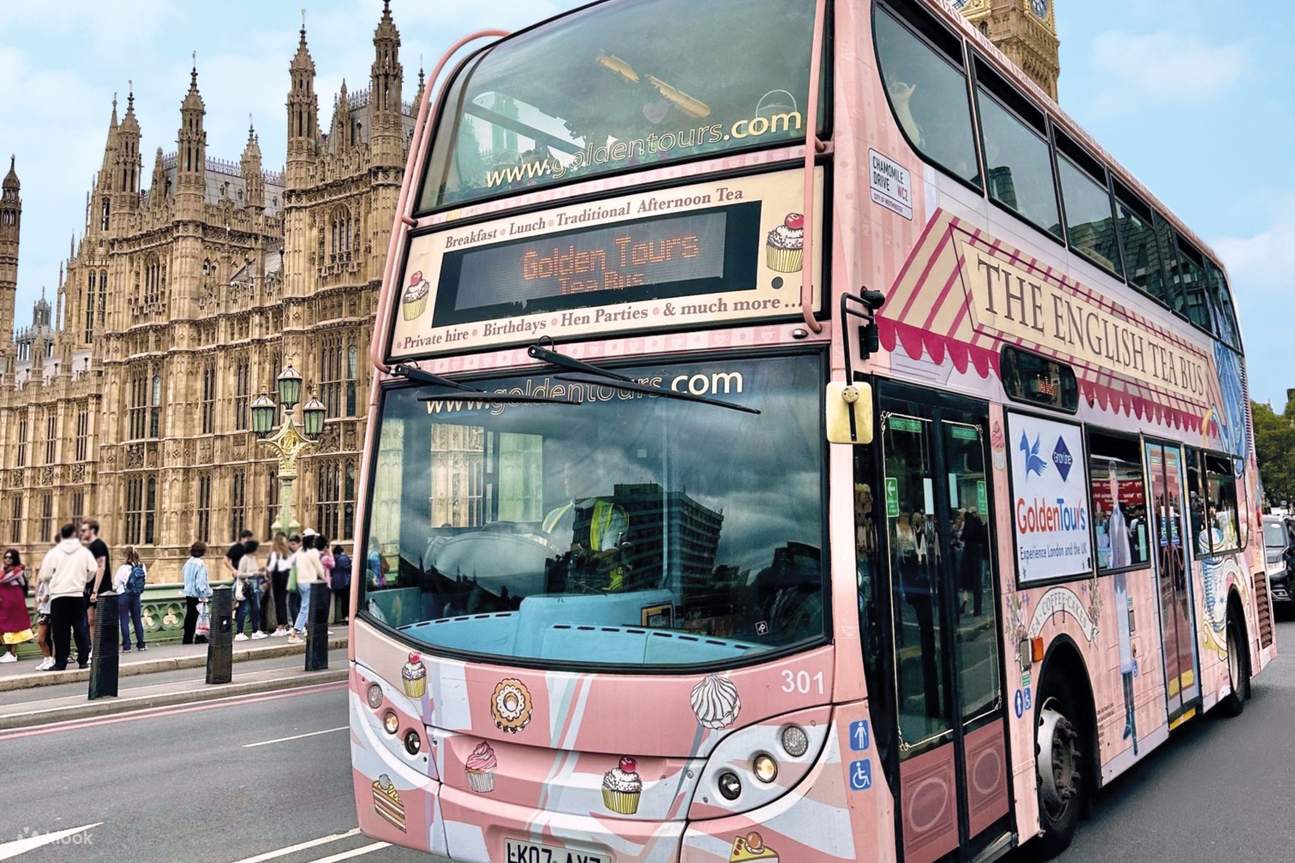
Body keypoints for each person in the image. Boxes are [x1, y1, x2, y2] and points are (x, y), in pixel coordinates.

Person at [39, 523, 97, 670]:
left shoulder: (54, 553)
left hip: (58, 595)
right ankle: (83, 660)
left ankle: (61, 662)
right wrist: (84, 580)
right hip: (77, 594)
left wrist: (53, 581)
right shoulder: (84, 552)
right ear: (74, 534)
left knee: (60, 632)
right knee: (80, 629)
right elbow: (93, 570)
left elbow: (44, 575)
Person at [290, 529, 326, 643]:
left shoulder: (300, 551)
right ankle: (294, 633)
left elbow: (292, 562)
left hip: (300, 582)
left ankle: (308, 629)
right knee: (305, 608)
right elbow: (319, 568)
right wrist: (325, 578)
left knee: (307, 606)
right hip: (310, 582)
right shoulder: (313, 552)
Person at [80, 519, 110, 643]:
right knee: (90, 620)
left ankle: (99, 648)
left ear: (92, 530)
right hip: (88, 588)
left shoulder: (99, 545)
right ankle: (93, 647)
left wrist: (95, 591)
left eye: (84, 530)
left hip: (99, 589)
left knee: (98, 620)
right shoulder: (89, 547)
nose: (81, 533)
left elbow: (100, 567)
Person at [112, 546, 148, 652]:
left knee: (124, 620)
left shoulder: (122, 568)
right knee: (137, 620)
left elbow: (116, 584)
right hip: (136, 596)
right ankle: (141, 644)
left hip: (124, 595)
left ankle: (127, 646)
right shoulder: (142, 567)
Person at [0, 549, 33, 662]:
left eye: (10, 557)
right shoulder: (5, 570)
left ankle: (13, 654)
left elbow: (4, 579)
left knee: (12, 626)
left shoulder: (17, 570)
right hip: (5, 601)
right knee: (5, 625)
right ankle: (9, 652)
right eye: (5, 557)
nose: (7, 559)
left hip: (13, 600)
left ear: (14, 558)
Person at [234, 539, 267, 641]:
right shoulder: (244, 559)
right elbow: (240, 574)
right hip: (246, 588)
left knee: (255, 609)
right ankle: (239, 633)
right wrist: (253, 574)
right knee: (243, 610)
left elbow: (254, 571)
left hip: (254, 587)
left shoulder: (253, 558)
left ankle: (255, 631)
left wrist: (259, 572)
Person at [182, 542, 212, 645]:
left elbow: (184, 576)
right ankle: (200, 636)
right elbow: (200, 582)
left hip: (188, 593)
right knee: (200, 616)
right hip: (197, 595)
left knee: (190, 616)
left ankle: (187, 638)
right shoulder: (200, 564)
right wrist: (203, 595)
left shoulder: (188, 562)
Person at [266, 533, 293, 637]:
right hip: (286, 577)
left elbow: (271, 567)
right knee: (285, 602)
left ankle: (280, 627)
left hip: (277, 577)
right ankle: (287, 625)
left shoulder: (275, 553)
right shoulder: (287, 552)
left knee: (278, 603)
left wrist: (267, 573)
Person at [331, 544, 352, 624]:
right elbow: (350, 568)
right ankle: (346, 617)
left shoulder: (332, 558)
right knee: (345, 600)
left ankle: (339, 618)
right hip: (345, 582)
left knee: (338, 600)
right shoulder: (345, 558)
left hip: (335, 582)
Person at [286, 533, 304, 623]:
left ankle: (297, 624)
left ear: (299, 543)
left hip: (296, 582)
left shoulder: (297, 555)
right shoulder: (301, 553)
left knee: (292, 603)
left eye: (294, 544)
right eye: (291, 544)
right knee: (298, 603)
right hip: (301, 581)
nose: (292, 546)